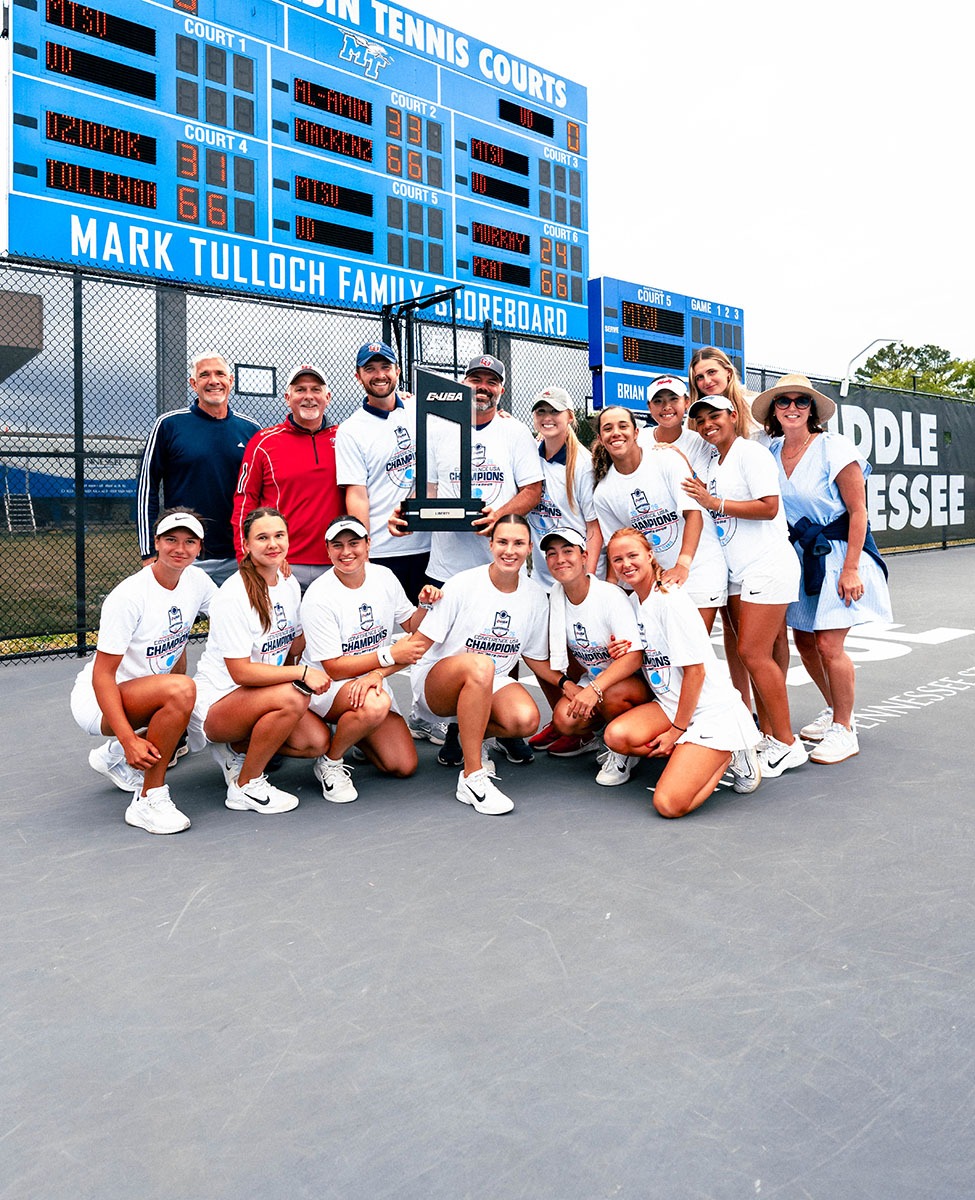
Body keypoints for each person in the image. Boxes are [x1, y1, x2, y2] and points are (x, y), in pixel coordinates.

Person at [752, 374, 892, 764]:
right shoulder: (769, 450)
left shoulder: (835, 446)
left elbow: (859, 511)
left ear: (812, 409)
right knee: (805, 642)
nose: (792, 408)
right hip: (797, 557)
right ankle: (835, 709)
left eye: (801, 401)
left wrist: (851, 569)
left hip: (839, 553)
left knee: (830, 645)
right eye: (783, 401)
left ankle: (845, 730)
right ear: (774, 410)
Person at [681, 395, 806, 779]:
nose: (707, 424)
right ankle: (770, 736)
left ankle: (787, 743)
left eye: (715, 416)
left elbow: (769, 507)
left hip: (768, 565)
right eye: (701, 420)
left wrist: (713, 501)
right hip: (739, 572)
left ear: (734, 416)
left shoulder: (751, 454)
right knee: (752, 653)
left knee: (752, 653)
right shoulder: (710, 461)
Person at [70, 510, 216, 834]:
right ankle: (148, 799)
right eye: (171, 540)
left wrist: (268, 571)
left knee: (191, 702)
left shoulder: (198, 582)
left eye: (189, 541)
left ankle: (112, 758)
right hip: (98, 700)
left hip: (147, 690)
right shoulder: (129, 596)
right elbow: (102, 675)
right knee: (182, 691)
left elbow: (232, 613)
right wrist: (128, 740)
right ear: (156, 543)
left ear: (199, 548)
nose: (180, 548)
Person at [602, 529, 762, 816]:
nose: (626, 564)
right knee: (616, 736)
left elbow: (696, 673)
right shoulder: (633, 603)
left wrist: (676, 731)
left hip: (710, 711)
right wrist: (619, 648)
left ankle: (731, 752)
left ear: (650, 555)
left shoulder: (670, 601)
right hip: (670, 705)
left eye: (632, 555)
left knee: (668, 804)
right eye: (617, 559)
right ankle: (693, 756)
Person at [191, 507, 331, 814]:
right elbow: (241, 672)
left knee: (316, 742)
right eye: (262, 537)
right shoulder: (233, 595)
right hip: (219, 701)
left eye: (279, 535)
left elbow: (293, 644)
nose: (273, 544)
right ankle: (246, 785)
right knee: (295, 695)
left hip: (260, 694)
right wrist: (302, 672)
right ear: (246, 544)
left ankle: (236, 748)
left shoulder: (288, 583)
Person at [407, 514, 549, 815]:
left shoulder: (536, 596)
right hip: (438, 682)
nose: (509, 550)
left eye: (518, 543)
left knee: (524, 720)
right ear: (491, 544)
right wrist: (378, 672)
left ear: (529, 548)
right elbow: (419, 642)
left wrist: (569, 688)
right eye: (502, 542)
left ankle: (467, 733)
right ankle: (472, 777)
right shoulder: (462, 584)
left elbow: (535, 658)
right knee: (481, 666)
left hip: (488, 680)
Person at [299, 516, 442, 802]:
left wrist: (425, 605)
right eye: (337, 545)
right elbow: (334, 668)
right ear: (327, 550)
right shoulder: (318, 596)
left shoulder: (384, 577)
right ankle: (330, 761)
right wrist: (388, 655)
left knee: (402, 765)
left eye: (354, 543)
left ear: (368, 544)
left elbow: (411, 625)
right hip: (327, 687)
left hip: (370, 680)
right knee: (375, 704)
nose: (346, 552)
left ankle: (356, 731)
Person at [390, 354, 543, 587]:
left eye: (492, 382)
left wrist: (498, 516)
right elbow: (429, 490)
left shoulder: (516, 432)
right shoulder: (438, 429)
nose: (483, 387)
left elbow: (532, 491)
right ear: (463, 385)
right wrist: (406, 513)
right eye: (476, 379)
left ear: (501, 390)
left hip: (501, 565)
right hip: (447, 568)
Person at [592, 405, 727, 629]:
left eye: (623, 426)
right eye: (608, 428)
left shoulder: (666, 459)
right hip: (656, 581)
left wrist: (682, 565)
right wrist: (614, 590)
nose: (616, 433)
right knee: (660, 649)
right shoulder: (604, 493)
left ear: (636, 432)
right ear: (600, 438)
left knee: (692, 647)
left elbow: (694, 515)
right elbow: (618, 546)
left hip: (698, 569)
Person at [137, 353, 260, 585]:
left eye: (220, 374)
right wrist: (148, 552)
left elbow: (262, 493)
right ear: (193, 384)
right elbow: (147, 490)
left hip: (238, 556)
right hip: (185, 555)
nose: (213, 381)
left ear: (230, 381)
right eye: (205, 375)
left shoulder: (251, 430)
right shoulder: (168, 425)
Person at [536, 528, 650, 778]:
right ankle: (601, 736)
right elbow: (534, 654)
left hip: (632, 683)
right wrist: (567, 684)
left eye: (568, 551)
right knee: (564, 719)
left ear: (584, 556)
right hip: (596, 680)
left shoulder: (609, 596)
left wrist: (594, 689)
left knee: (610, 694)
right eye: (552, 554)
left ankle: (622, 750)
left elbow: (634, 656)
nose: (560, 559)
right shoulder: (555, 599)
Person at [232, 364, 343, 591]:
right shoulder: (263, 442)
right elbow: (244, 501)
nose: (308, 396)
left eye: (316, 389)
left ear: (328, 397)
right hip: (281, 563)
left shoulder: (346, 438)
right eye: (300, 390)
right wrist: (246, 557)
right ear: (287, 398)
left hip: (337, 561)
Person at [335, 341, 431, 602]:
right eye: (370, 369)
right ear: (358, 376)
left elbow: (468, 412)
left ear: (397, 371)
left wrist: (499, 413)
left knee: (427, 621)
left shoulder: (419, 409)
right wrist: (363, 549)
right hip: (383, 551)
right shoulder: (351, 430)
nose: (379, 375)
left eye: (385, 367)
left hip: (429, 547)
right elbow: (357, 495)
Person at [526, 386, 601, 589]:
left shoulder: (583, 464)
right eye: (541, 411)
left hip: (578, 577)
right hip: (543, 579)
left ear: (570, 416)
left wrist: (587, 579)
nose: (547, 418)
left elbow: (594, 528)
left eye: (555, 411)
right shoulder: (529, 454)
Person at [637, 374, 713, 477]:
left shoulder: (699, 442)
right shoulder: (637, 438)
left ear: (687, 402)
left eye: (673, 399)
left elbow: (702, 486)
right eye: (658, 401)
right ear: (649, 407)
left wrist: (680, 459)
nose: (666, 407)